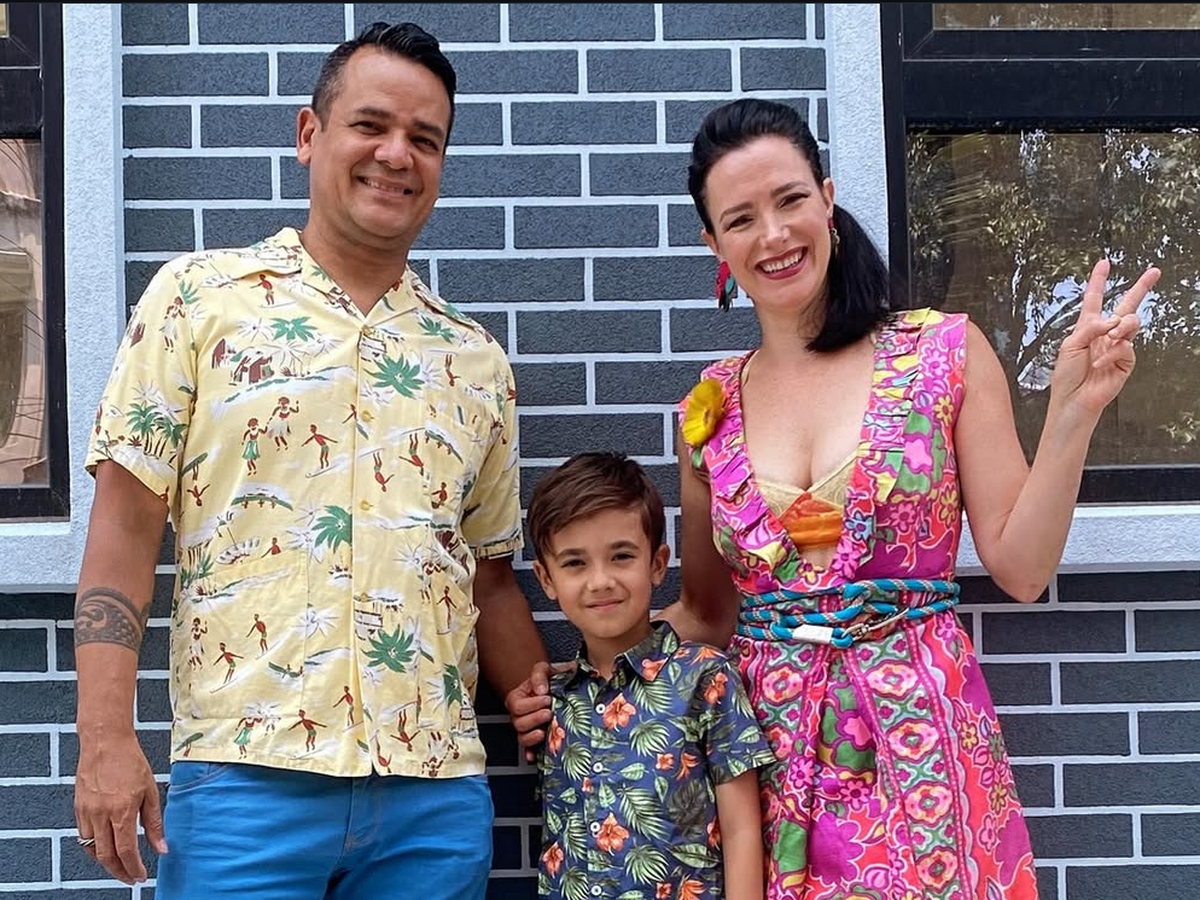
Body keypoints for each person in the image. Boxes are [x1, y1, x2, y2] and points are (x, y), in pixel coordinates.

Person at [508, 98, 1161, 900]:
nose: (773, 234)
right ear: (714, 245)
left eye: (789, 200)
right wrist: (579, 676)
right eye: (740, 219)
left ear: (826, 198)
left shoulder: (943, 353)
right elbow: (707, 614)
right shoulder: (709, 409)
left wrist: (1071, 415)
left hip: (920, 740)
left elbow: (1022, 570)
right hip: (767, 755)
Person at [72, 21, 547, 899]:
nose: (396, 154)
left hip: (432, 797)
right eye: (371, 125)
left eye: (425, 138)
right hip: (245, 782)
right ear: (308, 134)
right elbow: (125, 531)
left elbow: (487, 575)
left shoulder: (473, 360)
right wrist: (104, 736)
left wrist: (557, 701)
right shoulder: (198, 302)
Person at [526, 452, 776, 900]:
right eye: (575, 563)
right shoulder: (554, 702)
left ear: (657, 564)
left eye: (621, 556)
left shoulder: (704, 678)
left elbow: (741, 829)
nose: (600, 581)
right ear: (546, 579)